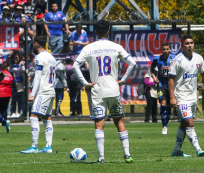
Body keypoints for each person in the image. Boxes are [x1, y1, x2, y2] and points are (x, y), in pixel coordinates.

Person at [72, 19, 136, 164]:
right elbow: (133, 63)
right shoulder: (116, 47)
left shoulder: (89, 48)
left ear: (95, 32)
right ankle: (127, 155)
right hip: (113, 89)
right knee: (119, 120)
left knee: (99, 123)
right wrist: (123, 80)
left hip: (97, 90)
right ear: (108, 32)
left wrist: (86, 83)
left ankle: (101, 158)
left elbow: (76, 66)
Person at [168, 35, 204, 157]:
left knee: (184, 124)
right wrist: (172, 97)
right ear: (182, 46)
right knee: (190, 123)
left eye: (191, 43)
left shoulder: (199, 58)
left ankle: (176, 150)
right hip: (181, 97)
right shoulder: (177, 60)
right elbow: (170, 79)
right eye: (187, 43)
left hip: (192, 97)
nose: (190, 45)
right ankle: (198, 149)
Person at [21, 36, 56, 154]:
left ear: (36, 44)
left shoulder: (39, 57)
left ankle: (34, 146)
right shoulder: (51, 57)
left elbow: (37, 76)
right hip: (51, 90)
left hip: (43, 91)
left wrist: (32, 94)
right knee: (47, 118)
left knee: (33, 116)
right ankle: (48, 146)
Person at [150, 43, 174, 134]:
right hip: (161, 85)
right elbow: (151, 68)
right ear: (161, 50)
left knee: (169, 106)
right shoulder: (157, 59)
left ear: (169, 49)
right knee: (163, 103)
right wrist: (154, 76)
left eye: (167, 49)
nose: (165, 51)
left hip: (171, 86)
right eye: (164, 49)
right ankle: (164, 126)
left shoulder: (174, 58)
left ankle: (166, 123)